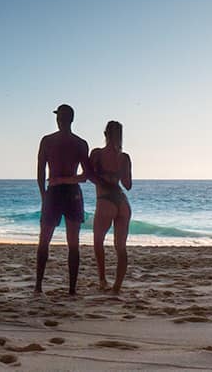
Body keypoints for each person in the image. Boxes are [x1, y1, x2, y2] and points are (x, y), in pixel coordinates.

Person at [35, 103, 93, 295]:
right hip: (72, 192)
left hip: (56, 191)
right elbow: (85, 176)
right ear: (72, 120)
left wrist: (45, 194)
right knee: (72, 242)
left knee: (45, 240)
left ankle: (39, 286)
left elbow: (41, 172)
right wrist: (67, 180)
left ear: (59, 119)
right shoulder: (80, 143)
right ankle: (71, 289)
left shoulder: (47, 141)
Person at [89, 120, 133, 294]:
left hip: (105, 199)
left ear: (105, 134)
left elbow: (89, 176)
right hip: (122, 202)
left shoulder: (97, 154)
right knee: (120, 247)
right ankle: (117, 287)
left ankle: (102, 280)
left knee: (98, 241)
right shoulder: (124, 157)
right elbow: (128, 185)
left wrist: (103, 179)